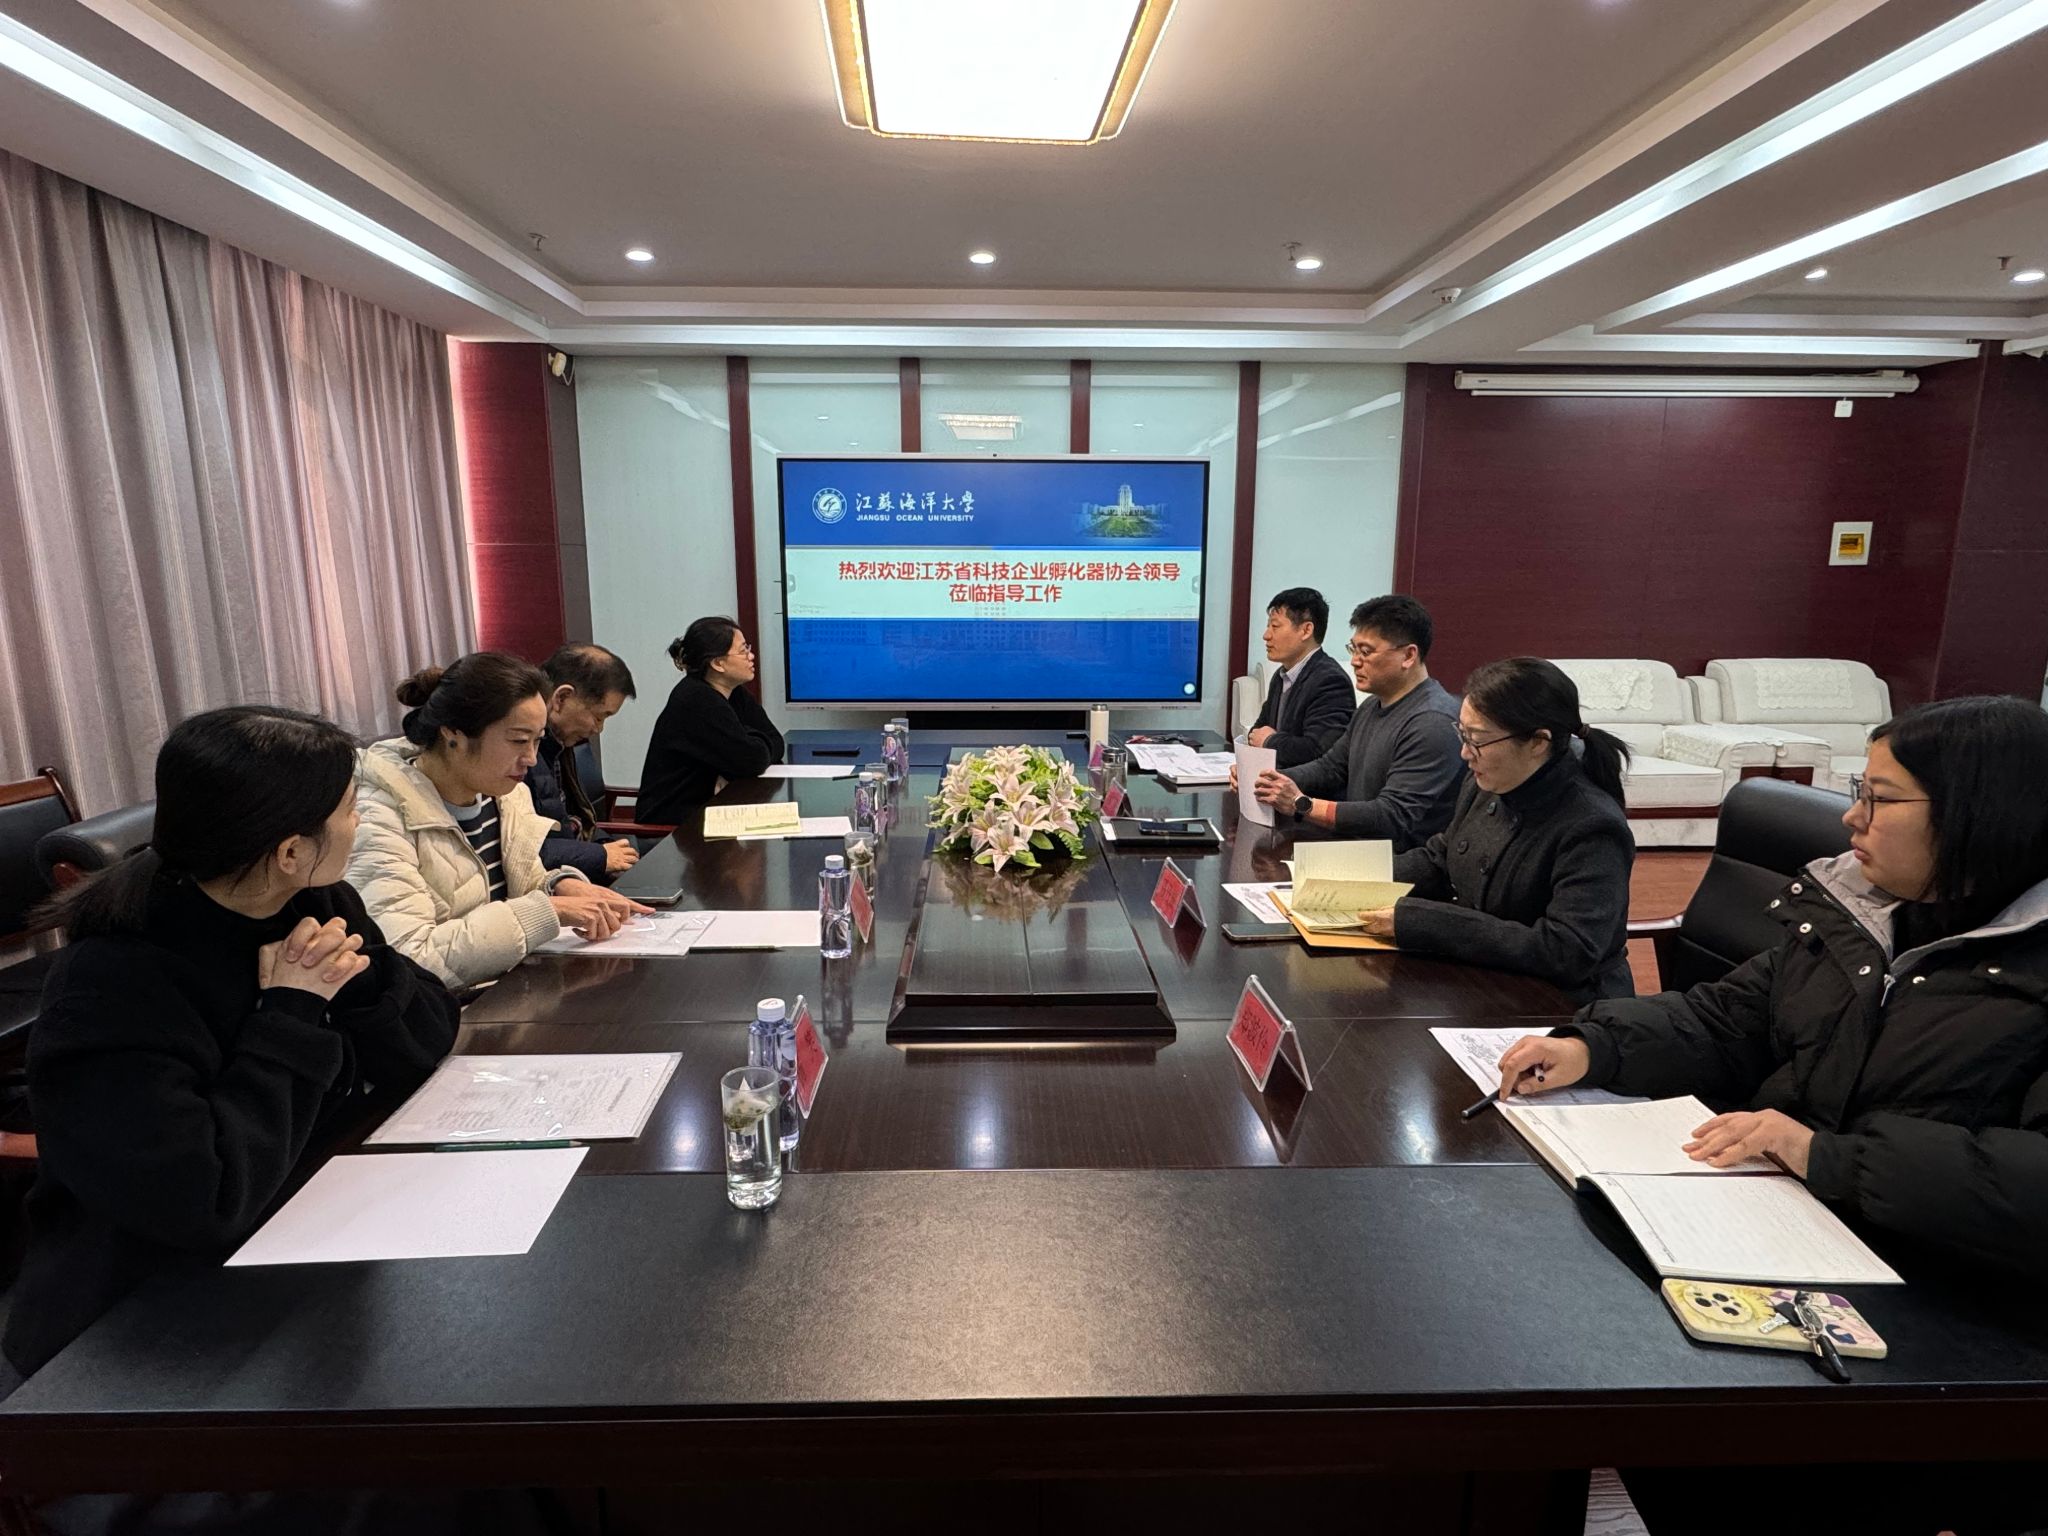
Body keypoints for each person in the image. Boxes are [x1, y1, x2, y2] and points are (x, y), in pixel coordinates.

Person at [1493, 698, 2048, 1536]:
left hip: (1955, 1319)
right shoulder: (1862, 912)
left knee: (1668, 1416)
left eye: (1880, 798)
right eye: (1859, 790)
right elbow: (1730, 1018)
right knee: (1569, 1317)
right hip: (1794, 1239)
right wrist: (1593, 1046)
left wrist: (1828, 1156)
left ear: (1982, 813)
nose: (1852, 817)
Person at [3, 706, 459, 1385]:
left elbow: (430, 1036)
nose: (360, 821)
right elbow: (200, 1197)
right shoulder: (115, 980)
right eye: (349, 809)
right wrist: (293, 1011)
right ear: (290, 851)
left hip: (304, 1218)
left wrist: (358, 980)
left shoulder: (313, 901)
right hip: (142, 1319)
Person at [348, 652, 648, 990]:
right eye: (518, 740)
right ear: (454, 734)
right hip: (452, 1009)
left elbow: (520, 884)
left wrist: (560, 885)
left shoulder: (506, 795)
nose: (531, 759)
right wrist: (549, 910)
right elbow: (410, 959)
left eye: (537, 740)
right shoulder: (377, 817)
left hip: (514, 987)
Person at [1355, 658, 1634, 1002]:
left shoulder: (1593, 826)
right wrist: (1349, 876)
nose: (1464, 753)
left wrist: (1422, 922)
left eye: (1477, 740)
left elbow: (1566, 950)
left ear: (1538, 742)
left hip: (1563, 1003)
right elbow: (1440, 859)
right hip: (1489, 976)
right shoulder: (1488, 783)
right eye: (1462, 734)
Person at [1246, 594, 1462, 850]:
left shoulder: (1432, 722)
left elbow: (1392, 815)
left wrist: (1302, 804)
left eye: (1366, 652)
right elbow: (1331, 768)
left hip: (1397, 863)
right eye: (1354, 649)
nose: (1355, 661)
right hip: (1357, 849)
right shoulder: (1371, 706)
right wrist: (1267, 780)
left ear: (1408, 655)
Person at [637, 616, 786, 825]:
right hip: (673, 827)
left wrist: (748, 739)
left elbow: (776, 742)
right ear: (717, 663)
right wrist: (750, 740)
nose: (751, 656)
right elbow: (752, 761)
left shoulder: (734, 692)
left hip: (710, 812)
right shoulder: (696, 700)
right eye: (743, 650)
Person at [530, 642, 640, 885]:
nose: (599, 729)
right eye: (599, 716)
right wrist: (599, 855)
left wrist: (604, 845)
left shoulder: (560, 745)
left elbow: (572, 821)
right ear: (562, 698)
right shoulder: (524, 756)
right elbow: (525, 848)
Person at [1245, 587, 1356, 768]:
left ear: (1306, 630)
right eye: (1268, 626)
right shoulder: (1280, 676)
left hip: (1307, 785)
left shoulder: (1331, 681)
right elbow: (1258, 732)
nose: (1266, 635)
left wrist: (1270, 741)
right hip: (1275, 779)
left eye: (1275, 626)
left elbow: (1320, 751)